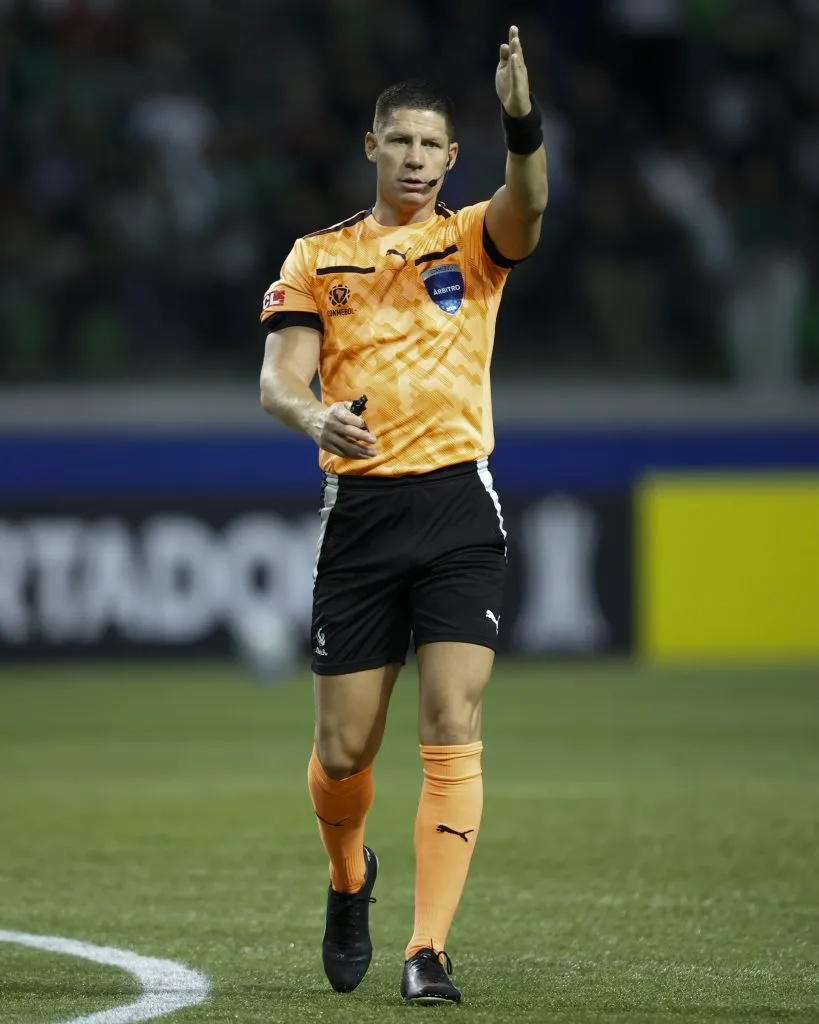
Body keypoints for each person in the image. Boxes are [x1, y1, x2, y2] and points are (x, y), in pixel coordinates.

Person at [259, 25, 547, 1006]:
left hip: (459, 503)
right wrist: (314, 416)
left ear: (452, 158)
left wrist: (521, 115)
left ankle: (428, 949)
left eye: (434, 145)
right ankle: (349, 880)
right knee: (344, 753)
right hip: (363, 517)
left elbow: (532, 202)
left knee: (451, 719)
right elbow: (277, 380)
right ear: (373, 148)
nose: (418, 159)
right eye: (402, 142)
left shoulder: (474, 238)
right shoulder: (318, 256)